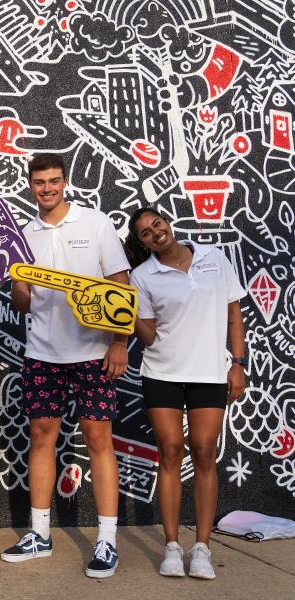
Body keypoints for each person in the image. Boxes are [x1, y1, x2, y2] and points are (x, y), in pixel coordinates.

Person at [0, 153, 130, 578]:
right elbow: (22, 304)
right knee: (42, 438)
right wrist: (20, 279)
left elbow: (120, 286)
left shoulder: (95, 224)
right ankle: (39, 534)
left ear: (65, 181)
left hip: (93, 352)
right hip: (42, 352)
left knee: (98, 440)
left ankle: (107, 540)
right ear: (30, 185)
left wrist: (118, 342)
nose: (47, 189)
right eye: (39, 183)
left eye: (54, 181)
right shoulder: (24, 235)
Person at [125, 207, 246, 580]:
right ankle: (173, 547)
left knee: (205, 452)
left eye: (156, 224)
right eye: (145, 233)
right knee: (171, 452)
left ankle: (203, 548)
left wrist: (237, 363)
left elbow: (234, 313)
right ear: (143, 243)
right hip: (162, 372)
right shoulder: (143, 276)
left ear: (168, 222)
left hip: (209, 372)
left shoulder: (214, 257)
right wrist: (124, 314)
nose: (155, 233)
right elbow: (148, 336)